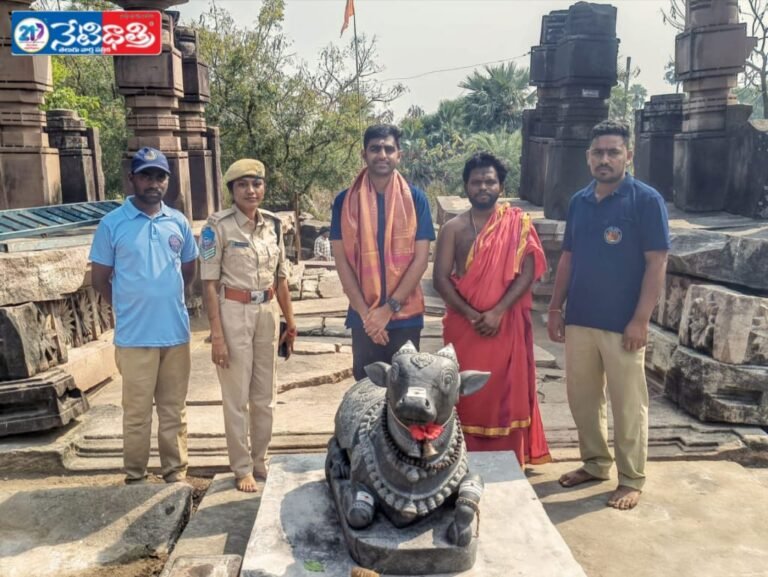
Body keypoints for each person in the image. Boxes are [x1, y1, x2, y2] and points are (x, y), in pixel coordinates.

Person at [548, 119, 669, 510]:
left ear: (628, 155)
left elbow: (657, 263)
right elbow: (568, 257)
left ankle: (631, 477)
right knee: (583, 398)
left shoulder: (645, 200)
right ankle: (595, 463)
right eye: (598, 152)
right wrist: (555, 307)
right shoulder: (579, 201)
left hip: (623, 323)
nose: (605, 159)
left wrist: (640, 320)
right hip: (581, 317)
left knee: (628, 404)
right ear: (588, 157)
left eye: (613, 152)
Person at [434, 152, 550, 467]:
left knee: (504, 391)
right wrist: (472, 315)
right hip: (465, 327)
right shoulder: (453, 228)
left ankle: (509, 459)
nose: (483, 187)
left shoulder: (517, 223)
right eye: (476, 182)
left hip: (506, 323)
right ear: (466, 187)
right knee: (466, 392)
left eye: (489, 181)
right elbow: (440, 279)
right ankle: (460, 457)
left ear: (501, 186)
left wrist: (498, 311)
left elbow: (527, 273)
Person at [90, 146, 198, 485]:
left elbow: (188, 270)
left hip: (175, 334)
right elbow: (100, 280)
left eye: (160, 177)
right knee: (137, 413)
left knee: (174, 411)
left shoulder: (177, 222)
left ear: (167, 180)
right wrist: (129, 305)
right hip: (135, 337)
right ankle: (135, 476)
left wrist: (165, 298)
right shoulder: (112, 224)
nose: (154, 183)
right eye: (146, 176)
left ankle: (175, 473)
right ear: (132, 179)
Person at [200, 158, 297, 493]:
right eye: (242, 185)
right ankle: (242, 467)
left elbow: (281, 278)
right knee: (236, 396)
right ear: (232, 190)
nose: (251, 190)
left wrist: (290, 321)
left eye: (256, 183)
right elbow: (209, 283)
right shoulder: (217, 227)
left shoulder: (273, 225)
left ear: (263, 187)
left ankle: (260, 460)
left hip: (267, 312)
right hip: (233, 312)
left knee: (265, 395)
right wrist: (216, 335)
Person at [330, 124, 435, 380]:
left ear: (399, 155)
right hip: (363, 317)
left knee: (406, 391)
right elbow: (341, 261)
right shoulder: (344, 202)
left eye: (389, 149)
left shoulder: (416, 199)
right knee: (367, 391)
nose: (382, 155)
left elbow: (421, 260)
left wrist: (388, 310)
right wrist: (369, 317)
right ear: (364, 154)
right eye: (375, 148)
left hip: (406, 316)